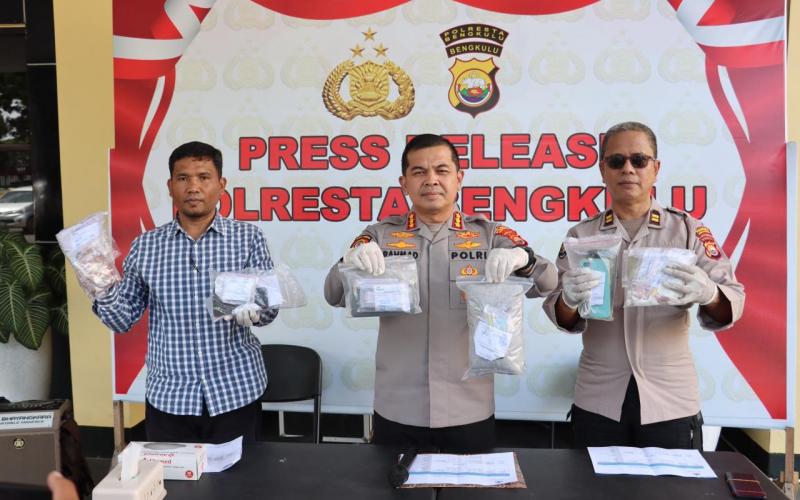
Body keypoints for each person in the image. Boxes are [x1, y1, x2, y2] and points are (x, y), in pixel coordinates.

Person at [324, 134, 557, 452]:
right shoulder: (379, 236)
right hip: (398, 407)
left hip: (468, 407)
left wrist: (523, 258)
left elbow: (548, 282)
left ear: (459, 178)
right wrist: (348, 261)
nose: (431, 180)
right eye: (419, 172)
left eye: (442, 170)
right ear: (404, 183)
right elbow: (333, 294)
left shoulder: (489, 235)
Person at [543, 121, 745, 449]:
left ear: (656, 168)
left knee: (671, 481)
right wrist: (567, 299)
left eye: (639, 160)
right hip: (599, 398)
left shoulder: (687, 230)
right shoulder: (582, 236)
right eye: (616, 161)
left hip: (670, 399)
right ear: (603, 170)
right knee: (593, 479)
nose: (628, 169)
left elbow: (732, 301)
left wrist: (709, 292)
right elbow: (561, 315)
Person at [92, 141, 277, 443]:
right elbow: (121, 320)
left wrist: (257, 310)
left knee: (240, 474)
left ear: (221, 184)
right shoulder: (147, 245)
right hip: (170, 396)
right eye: (183, 178)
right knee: (176, 475)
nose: (193, 187)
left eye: (204, 177)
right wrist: (99, 281)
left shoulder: (248, 238)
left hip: (236, 389)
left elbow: (268, 311)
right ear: (170, 186)